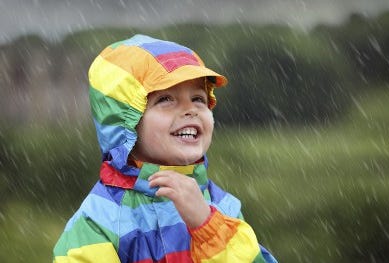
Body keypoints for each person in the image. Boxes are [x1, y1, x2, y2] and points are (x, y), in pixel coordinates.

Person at [53, 34, 277, 263]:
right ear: (126, 125)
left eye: (198, 98)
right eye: (166, 99)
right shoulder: (99, 221)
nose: (190, 110)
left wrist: (208, 229)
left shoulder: (221, 209)